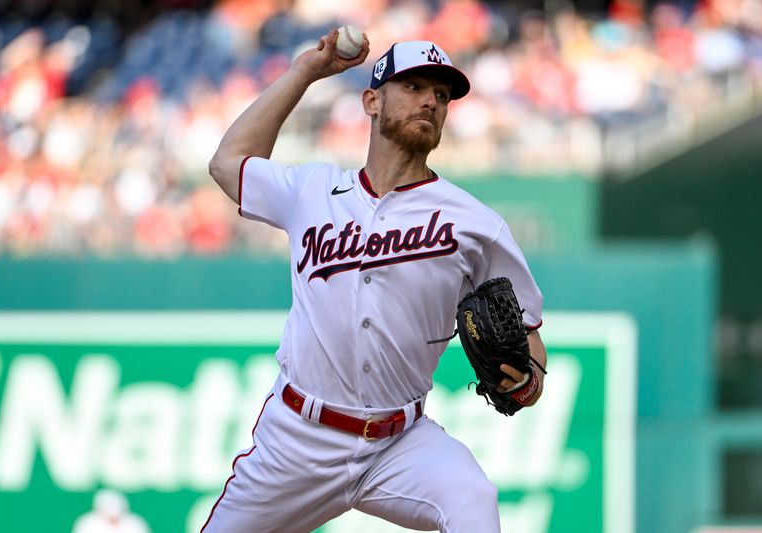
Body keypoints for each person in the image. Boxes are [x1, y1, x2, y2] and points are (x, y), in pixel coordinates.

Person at [202, 30, 547, 533]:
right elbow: (226, 164)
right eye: (413, 86)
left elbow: (530, 335)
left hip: (400, 442)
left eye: (442, 95)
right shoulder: (312, 191)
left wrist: (528, 383)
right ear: (371, 101)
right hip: (298, 438)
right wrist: (304, 73)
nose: (430, 99)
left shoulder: (475, 223)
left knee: (473, 499)